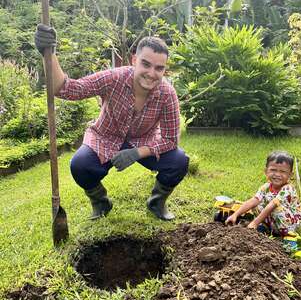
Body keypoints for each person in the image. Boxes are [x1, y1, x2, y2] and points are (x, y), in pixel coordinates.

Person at [34, 25, 189, 221]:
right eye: (146, 64)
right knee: (80, 165)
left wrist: (137, 153)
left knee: (179, 161)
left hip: (143, 141)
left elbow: (170, 139)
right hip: (104, 137)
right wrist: (49, 54)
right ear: (134, 60)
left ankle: (157, 202)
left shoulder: (167, 95)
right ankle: (100, 202)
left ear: (164, 69)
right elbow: (67, 89)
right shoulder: (114, 78)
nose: (151, 73)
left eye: (159, 68)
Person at [225, 151, 301, 248]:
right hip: (276, 220)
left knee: (275, 207)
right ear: (266, 171)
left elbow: (272, 206)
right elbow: (254, 200)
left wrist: (254, 222)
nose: (277, 174)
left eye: (282, 171)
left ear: (290, 175)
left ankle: (289, 237)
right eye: (273, 170)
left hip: (292, 223)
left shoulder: (288, 188)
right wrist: (235, 214)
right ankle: (266, 228)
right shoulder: (265, 187)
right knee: (257, 204)